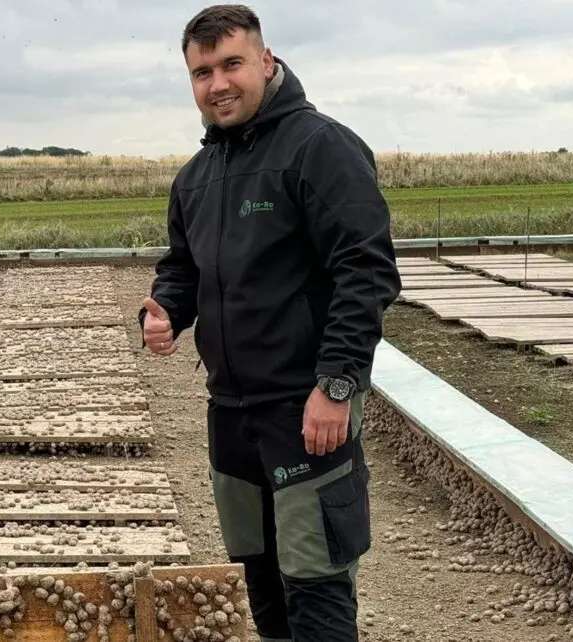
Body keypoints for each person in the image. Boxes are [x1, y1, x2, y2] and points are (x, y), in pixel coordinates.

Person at [140, 5, 401, 641]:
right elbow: (184, 267)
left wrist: (337, 385)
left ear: (265, 60)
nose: (218, 84)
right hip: (230, 411)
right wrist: (167, 308)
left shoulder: (319, 147)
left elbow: (366, 273)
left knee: (314, 577)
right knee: (257, 573)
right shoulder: (197, 177)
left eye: (231, 64)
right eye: (202, 72)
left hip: (305, 406)